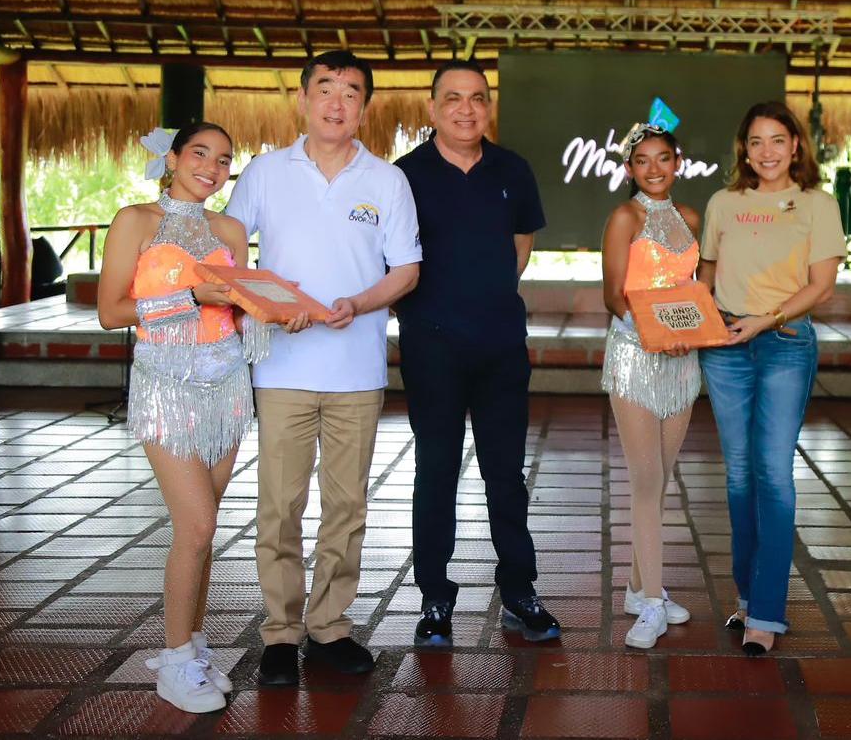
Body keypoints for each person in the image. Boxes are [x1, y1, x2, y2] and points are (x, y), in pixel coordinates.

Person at [224, 50, 423, 685]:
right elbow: (229, 254)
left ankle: (329, 626)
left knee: (347, 505)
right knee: (279, 505)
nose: (337, 103)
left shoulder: (386, 181)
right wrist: (266, 303)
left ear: (365, 106)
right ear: (304, 98)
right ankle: (280, 633)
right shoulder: (263, 173)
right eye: (326, 89)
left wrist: (359, 304)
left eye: (351, 93)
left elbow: (407, 269)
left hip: (356, 369)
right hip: (280, 368)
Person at [98, 122, 301, 713]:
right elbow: (112, 312)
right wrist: (190, 297)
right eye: (200, 154)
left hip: (228, 388)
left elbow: (239, 310)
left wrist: (279, 312)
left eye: (224, 160)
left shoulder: (230, 229)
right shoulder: (134, 220)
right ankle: (175, 661)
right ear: (174, 158)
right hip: (166, 385)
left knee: (202, 532)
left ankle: (193, 645)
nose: (212, 167)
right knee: (199, 527)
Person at [394, 58, 560, 647]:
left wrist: (484, 298)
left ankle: (519, 590)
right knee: (434, 472)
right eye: (453, 98)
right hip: (431, 345)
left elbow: (520, 247)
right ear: (433, 107)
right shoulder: (403, 176)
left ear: (488, 106)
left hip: (499, 346)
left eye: (478, 98)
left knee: (505, 475)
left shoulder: (513, 168)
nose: (466, 108)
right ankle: (435, 599)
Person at [698, 101, 844, 656]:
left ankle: (767, 612)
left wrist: (766, 319)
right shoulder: (723, 203)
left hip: (785, 344)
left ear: (796, 146)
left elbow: (821, 287)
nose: (767, 152)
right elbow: (706, 277)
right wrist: (694, 318)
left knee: (773, 474)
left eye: (777, 140)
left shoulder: (817, 205)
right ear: (744, 150)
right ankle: (747, 594)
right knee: (737, 476)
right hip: (727, 348)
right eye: (756, 142)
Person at [600, 124, 703, 649]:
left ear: (677, 162)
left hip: (683, 362)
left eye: (663, 159)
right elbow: (614, 295)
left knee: (661, 478)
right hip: (637, 356)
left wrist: (689, 331)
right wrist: (655, 334)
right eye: (643, 161)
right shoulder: (625, 217)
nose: (655, 169)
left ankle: (638, 588)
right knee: (644, 480)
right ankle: (655, 601)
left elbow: (695, 290)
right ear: (630, 169)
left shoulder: (690, 219)